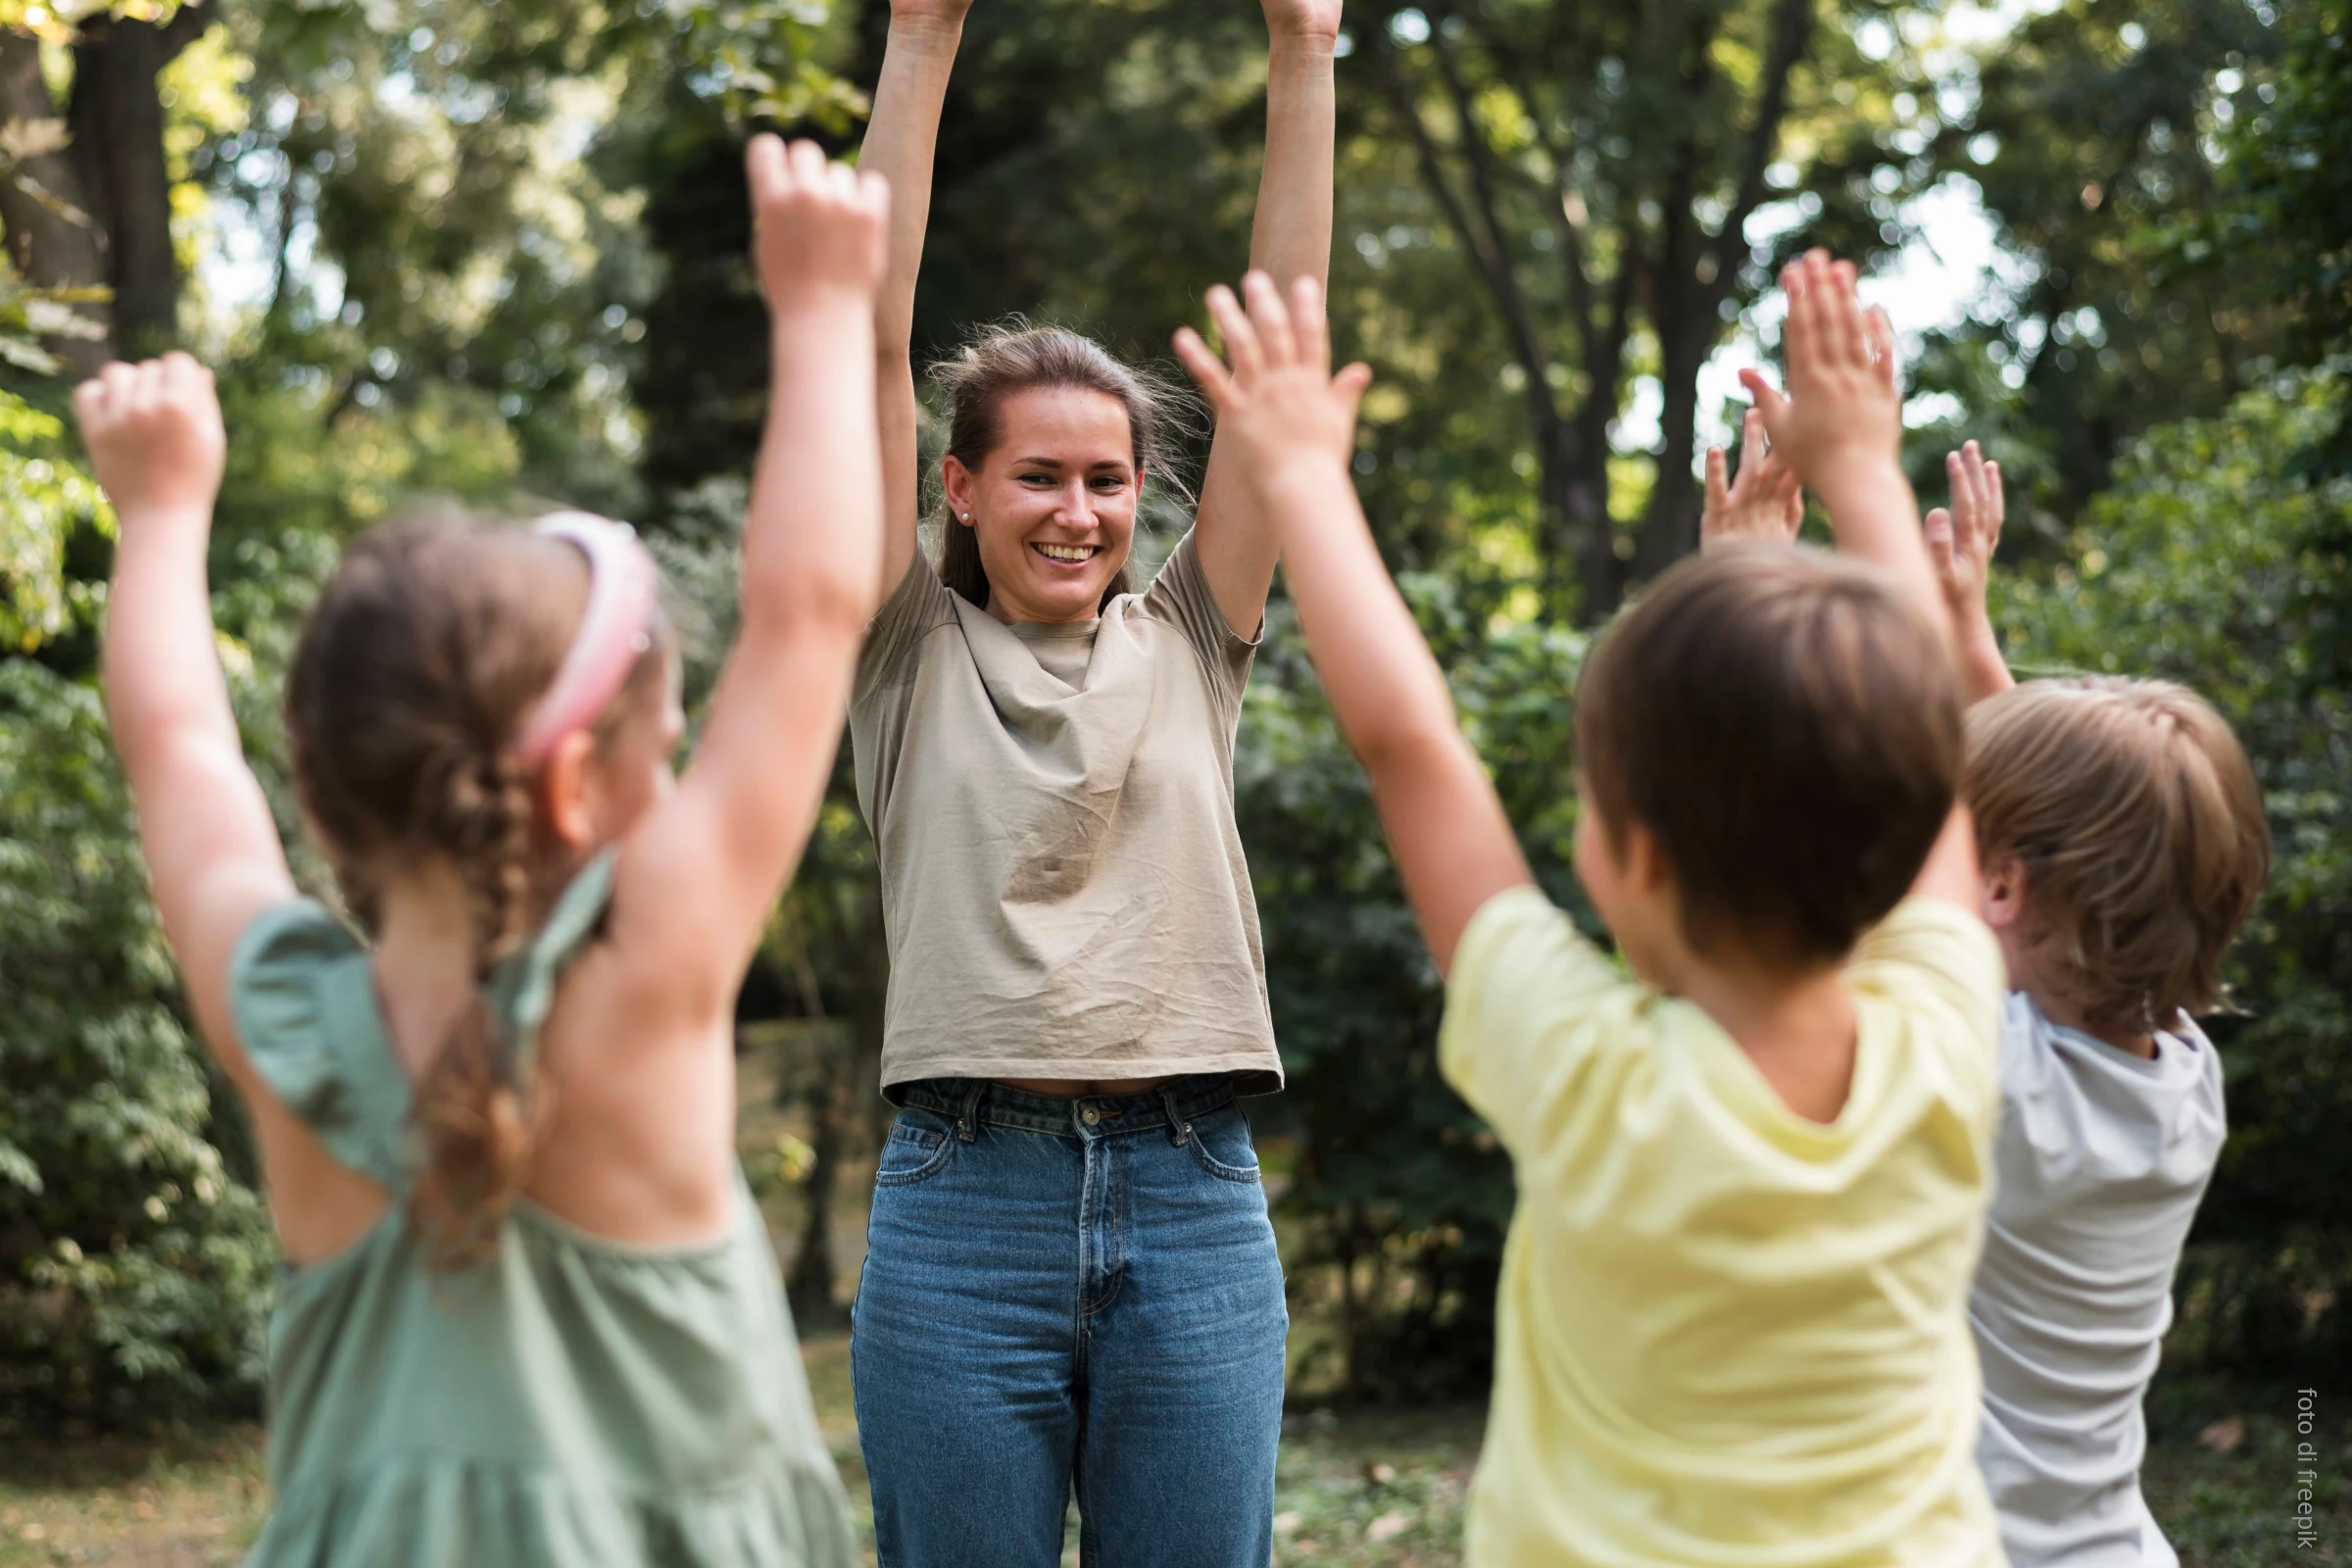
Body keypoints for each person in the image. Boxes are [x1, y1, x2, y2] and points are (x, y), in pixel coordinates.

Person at [80, 138, 889, 1568]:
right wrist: (823, 313)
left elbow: (177, 751)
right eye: (673, 722)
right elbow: (812, 616)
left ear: (329, 798)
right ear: (580, 785)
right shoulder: (649, 977)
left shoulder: (287, 1020)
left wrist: (157, 509)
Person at [1174, 254, 2008, 1565]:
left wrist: (1299, 476)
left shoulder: (1589, 1078)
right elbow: (1927, 756)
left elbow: (1412, 750)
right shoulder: (1948, 1044)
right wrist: (1857, 467)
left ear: (1639, 860)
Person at [841, 1, 1337, 1561]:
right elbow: (862, 335)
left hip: (1192, 1193)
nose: (1078, 511)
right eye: (1039, 476)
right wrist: (920, 37)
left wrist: (1307, 51)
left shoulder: (1193, 634)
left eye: (1109, 478)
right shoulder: (902, 648)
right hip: (959, 1198)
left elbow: (1285, 335)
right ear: (960, 487)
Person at [1925, 446, 2272, 1567]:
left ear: (2003, 886)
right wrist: (1964, 628)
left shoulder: (1993, 1075)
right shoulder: (2182, 1080)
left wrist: (1751, 592)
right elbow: (2062, 825)